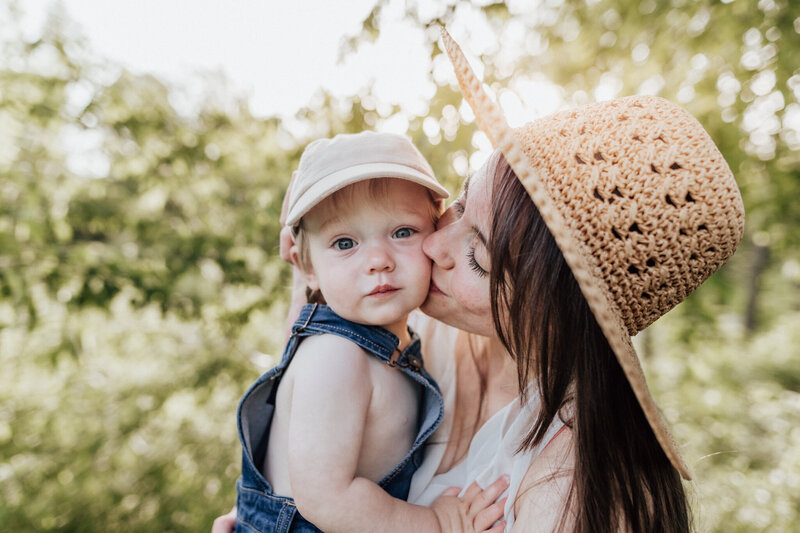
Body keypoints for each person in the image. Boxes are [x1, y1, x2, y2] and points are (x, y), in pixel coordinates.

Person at [216, 30, 745, 533]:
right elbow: (313, 399)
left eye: (479, 260)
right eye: (460, 205)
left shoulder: (564, 490)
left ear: (555, 309)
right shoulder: (423, 326)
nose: (431, 246)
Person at [229, 130, 510, 533]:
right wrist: (436, 523)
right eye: (345, 243)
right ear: (308, 268)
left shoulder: (395, 342)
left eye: (402, 232)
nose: (378, 260)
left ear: (435, 231)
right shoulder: (334, 356)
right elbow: (325, 498)